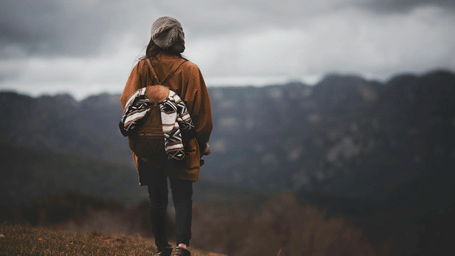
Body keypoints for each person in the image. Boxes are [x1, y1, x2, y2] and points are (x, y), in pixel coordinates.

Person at [120, 16, 213, 256]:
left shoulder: (141, 68)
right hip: (181, 142)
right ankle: (182, 246)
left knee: (157, 199)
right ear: (180, 40)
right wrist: (200, 144)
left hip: (149, 145)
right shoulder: (190, 70)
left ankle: (162, 248)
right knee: (183, 197)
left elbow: (127, 102)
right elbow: (202, 114)